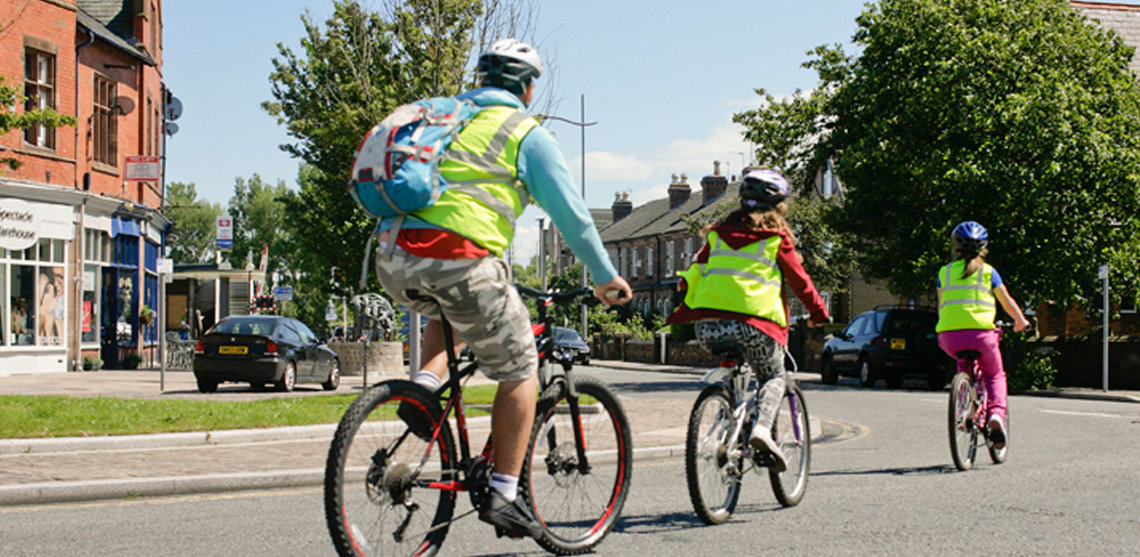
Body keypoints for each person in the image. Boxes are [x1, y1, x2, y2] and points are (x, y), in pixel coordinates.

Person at [369, 38, 632, 539]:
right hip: (460, 258)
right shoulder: (525, 133)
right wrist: (605, 277)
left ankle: (423, 391)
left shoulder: (444, 119)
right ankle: (505, 494)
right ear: (528, 88)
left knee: (449, 314)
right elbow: (574, 219)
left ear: (482, 78)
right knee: (521, 369)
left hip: (393, 256)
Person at [667, 169, 829, 472]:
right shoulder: (775, 238)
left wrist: (686, 287)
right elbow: (800, 281)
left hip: (707, 326)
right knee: (773, 377)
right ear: (779, 206)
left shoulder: (716, 234)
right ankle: (761, 431)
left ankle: (728, 424)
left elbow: (694, 271)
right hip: (755, 326)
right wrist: (819, 314)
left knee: (736, 377)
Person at [935, 221, 1029, 450]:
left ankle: (965, 404)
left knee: (962, 363)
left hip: (949, 337)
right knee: (994, 374)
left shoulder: (944, 272)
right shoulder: (988, 272)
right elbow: (1006, 301)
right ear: (983, 248)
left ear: (955, 246)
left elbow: (941, 305)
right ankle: (996, 414)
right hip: (981, 336)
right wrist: (1020, 321)